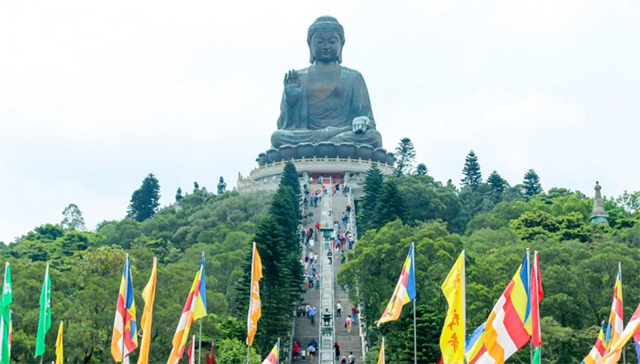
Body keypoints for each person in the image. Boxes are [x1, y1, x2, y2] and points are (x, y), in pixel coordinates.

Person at [270, 16, 383, 149]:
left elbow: (367, 119)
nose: (325, 46)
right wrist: (291, 101)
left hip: (343, 134)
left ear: (342, 43)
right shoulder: (297, 78)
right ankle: (327, 146)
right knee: (277, 137)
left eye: (332, 41)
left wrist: (362, 120)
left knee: (374, 137)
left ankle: (323, 146)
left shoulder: (354, 77)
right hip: (308, 136)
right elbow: (285, 126)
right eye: (319, 41)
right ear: (309, 43)